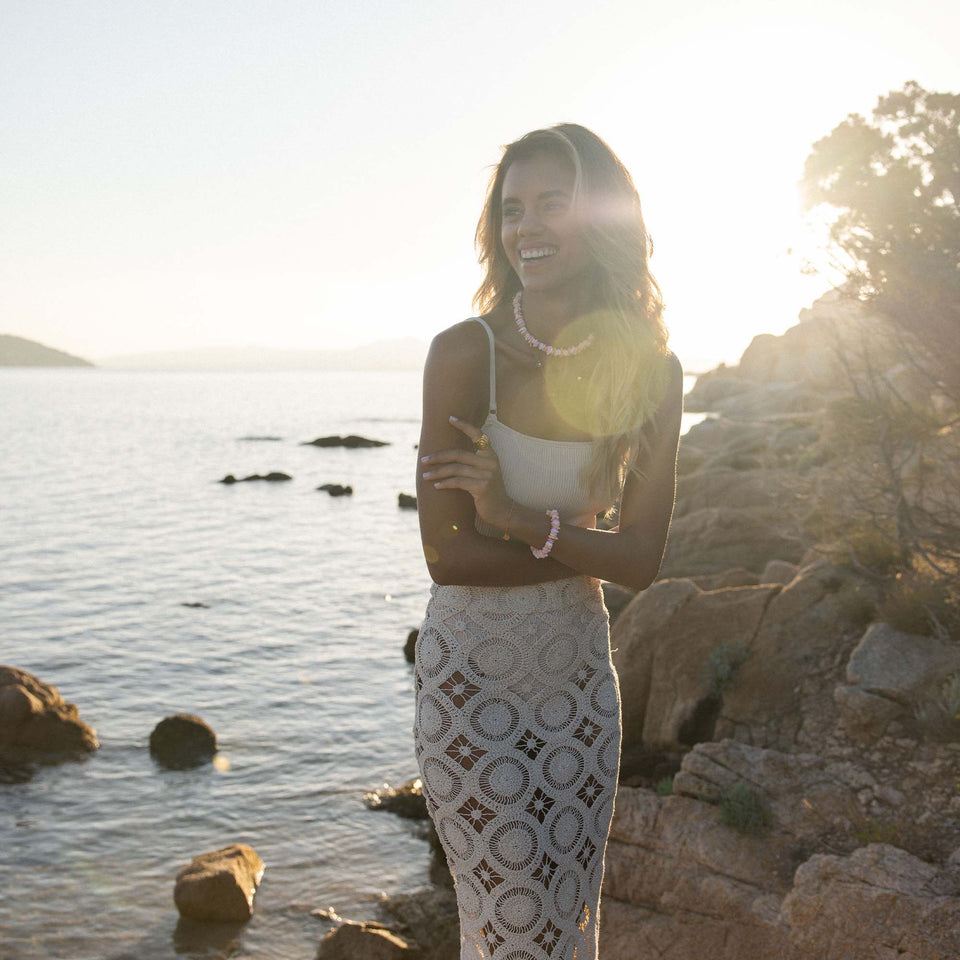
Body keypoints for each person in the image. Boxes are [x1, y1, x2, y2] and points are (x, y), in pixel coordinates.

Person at [412, 123, 682, 959]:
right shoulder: (464, 355)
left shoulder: (653, 374)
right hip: (470, 680)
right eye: (512, 209)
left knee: (563, 921)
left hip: (576, 684)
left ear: (602, 218)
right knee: (506, 923)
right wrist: (578, 548)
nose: (526, 228)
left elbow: (643, 562)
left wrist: (523, 520)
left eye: (552, 205)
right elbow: (448, 557)